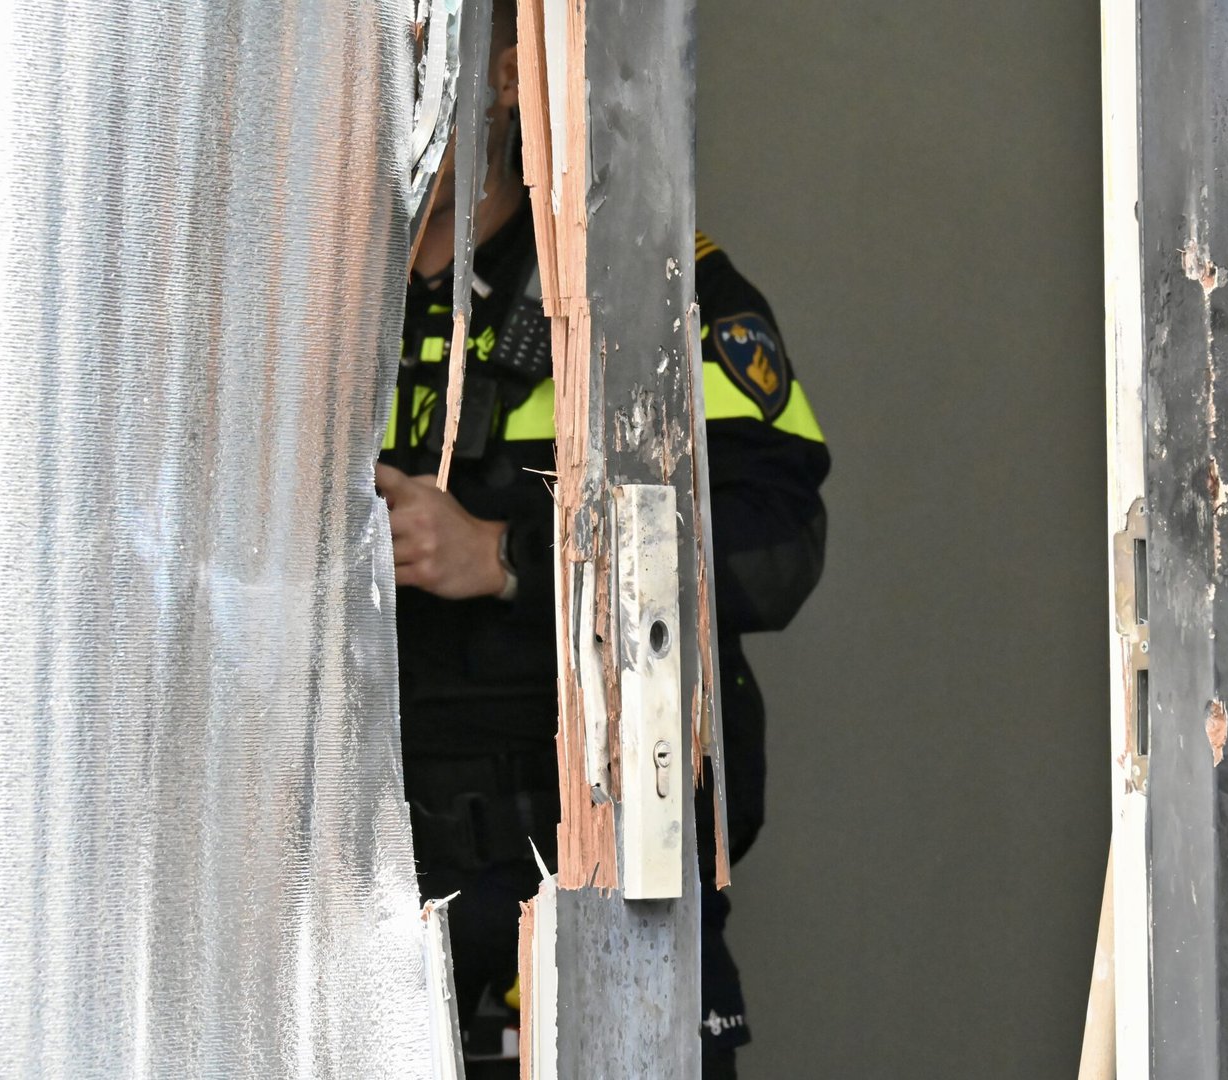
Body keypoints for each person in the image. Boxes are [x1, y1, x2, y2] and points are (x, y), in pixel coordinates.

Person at [377, 6, 828, 1076]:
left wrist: (508, 556)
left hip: (589, 890)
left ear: (493, 80)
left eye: (405, 68)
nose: (372, 119)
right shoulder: (318, 309)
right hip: (371, 911)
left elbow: (779, 546)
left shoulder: (640, 285)